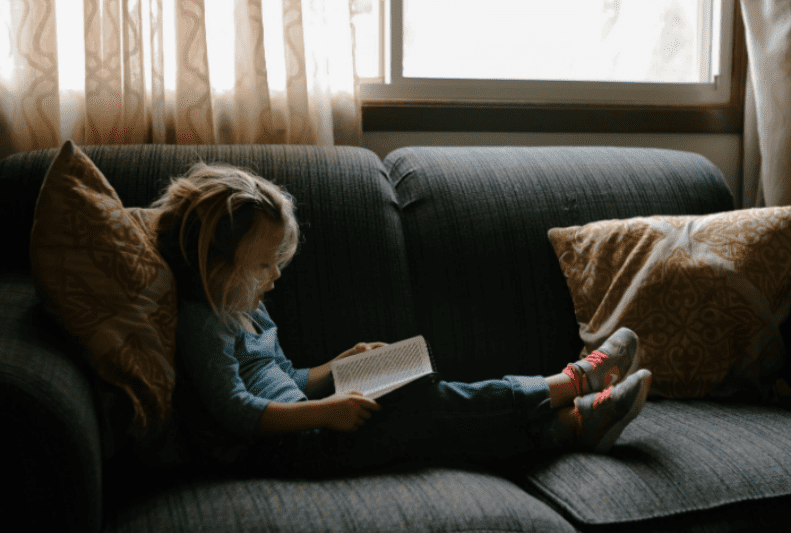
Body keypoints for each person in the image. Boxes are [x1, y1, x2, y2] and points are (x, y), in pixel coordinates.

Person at [151, 162, 652, 477]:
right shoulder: (204, 322)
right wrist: (328, 410)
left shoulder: (246, 304)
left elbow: (287, 378)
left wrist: (335, 367)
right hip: (286, 449)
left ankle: (571, 424)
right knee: (420, 403)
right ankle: (572, 384)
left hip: (306, 418)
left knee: (411, 374)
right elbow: (238, 410)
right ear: (216, 264)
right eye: (263, 265)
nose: (276, 277)